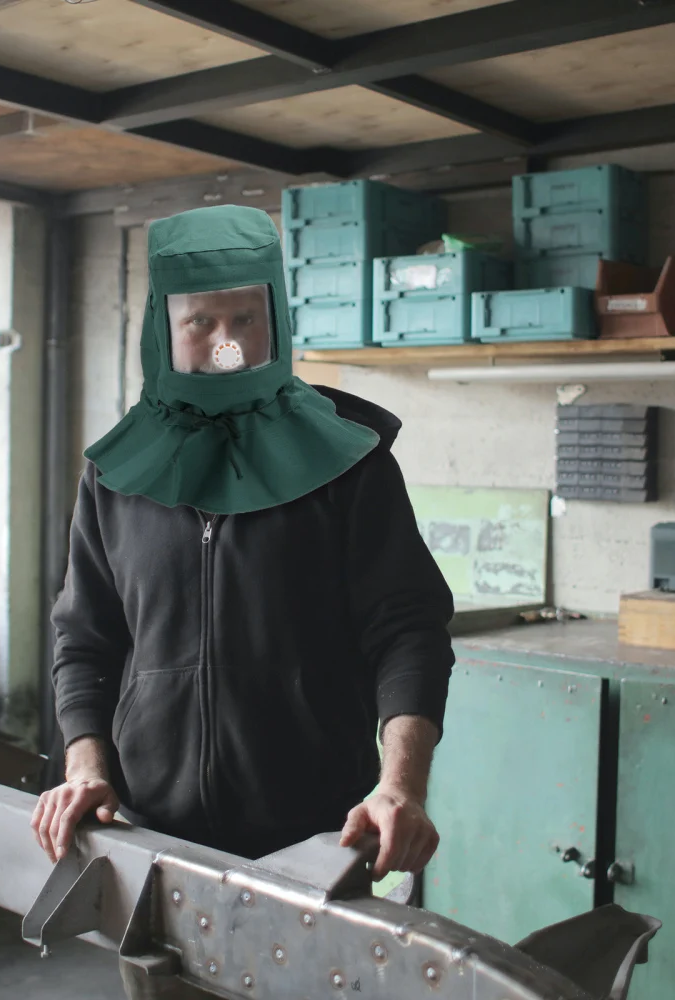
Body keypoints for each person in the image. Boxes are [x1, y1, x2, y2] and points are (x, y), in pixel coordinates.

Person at [31, 204, 454, 998]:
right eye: (200, 322)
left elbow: (409, 630)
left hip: (316, 838)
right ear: (163, 328)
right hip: (152, 843)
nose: (225, 344)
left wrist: (402, 782)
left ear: (276, 322)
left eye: (244, 320)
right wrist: (86, 764)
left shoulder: (349, 463)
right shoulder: (117, 475)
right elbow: (84, 637)